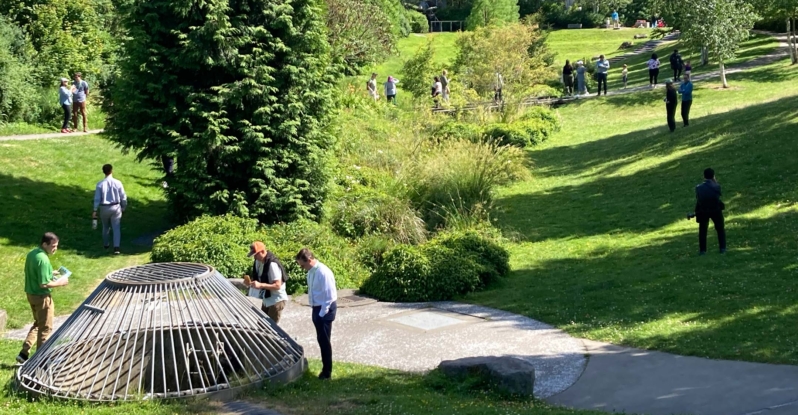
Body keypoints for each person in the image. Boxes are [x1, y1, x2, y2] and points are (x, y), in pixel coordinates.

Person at [16, 233, 69, 364]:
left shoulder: (33, 254)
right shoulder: (44, 259)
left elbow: (35, 271)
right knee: (46, 328)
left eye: (57, 246)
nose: (55, 249)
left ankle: (24, 353)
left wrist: (52, 273)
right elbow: (44, 284)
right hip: (42, 297)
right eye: (53, 246)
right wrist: (61, 282)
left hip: (31, 294)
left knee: (38, 323)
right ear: (45, 244)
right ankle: (41, 360)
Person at [295, 248, 337, 380]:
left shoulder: (323, 272)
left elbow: (329, 297)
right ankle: (325, 369)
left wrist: (321, 315)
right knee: (321, 339)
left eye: (302, 265)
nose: (302, 268)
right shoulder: (310, 272)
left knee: (324, 341)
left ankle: (327, 372)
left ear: (309, 260)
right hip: (317, 308)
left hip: (325, 309)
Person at [244, 241, 288, 324]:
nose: (255, 257)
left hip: (276, 300)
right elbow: (259, 277)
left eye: (256, 255)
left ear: (263, 252)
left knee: (271, 329)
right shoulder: (258, 262)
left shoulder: (272, 264)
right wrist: (250, 282)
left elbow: (278, 285)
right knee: (261, 326)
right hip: (266, 299)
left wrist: (260, 285)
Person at [92, 164, 127, 255]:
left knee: (105, 227)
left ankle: (106, 244)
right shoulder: (118, 183)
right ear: (111, 171)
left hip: (104, 207)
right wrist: (123, 206)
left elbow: (97, 198)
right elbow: (123, 196)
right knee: (116, 227)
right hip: (116, 207)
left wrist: (95, 210)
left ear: (103, 171)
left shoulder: (100, 184)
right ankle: (116, 247)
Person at [694, 168, 726, 255]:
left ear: (704, 176)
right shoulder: (717, 186)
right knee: (720, 229)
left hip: (704, 211)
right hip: (716, 210)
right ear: (713, 176)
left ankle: (702, 250)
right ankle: (722, 248)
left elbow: (699, 200)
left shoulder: (698, 188)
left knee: (703, 230)